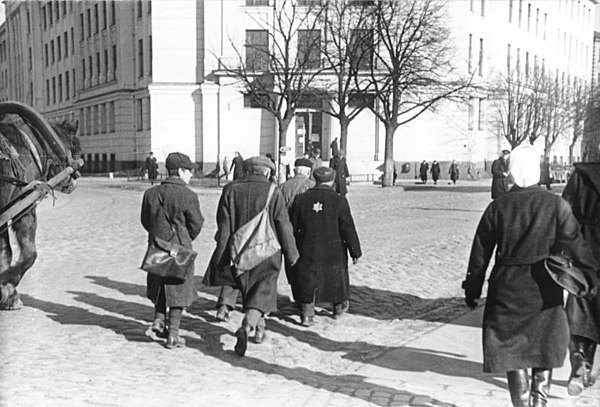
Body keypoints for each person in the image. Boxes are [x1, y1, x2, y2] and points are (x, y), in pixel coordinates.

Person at [462, 145, 598, 407]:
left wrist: (472, 290)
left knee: (511, 350)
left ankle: (522, 405)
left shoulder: (498, 207)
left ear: (511, 172)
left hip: (507, 288)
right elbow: (576, 244)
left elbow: (480, 255)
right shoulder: (556, 205)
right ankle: (540, 403)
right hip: (545, 287)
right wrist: (591, 277)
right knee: (543, 346)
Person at [203, 156, 299, 357]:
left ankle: (260, 330)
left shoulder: (230, 189)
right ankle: (247, 327)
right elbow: (283, 224)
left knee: (248, 290)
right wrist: (292, 253)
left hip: (238, 249)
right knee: (261, 292)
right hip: (266, 252)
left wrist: (222, 251)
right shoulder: (273, 191)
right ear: (266, 172)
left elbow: (224, 223)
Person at [141, 152, 204, 349]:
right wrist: (184, 238)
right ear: (181, 171)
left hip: (157, 247)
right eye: (189, 171)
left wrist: (158, 236)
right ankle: (173, 334)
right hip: (180, 249)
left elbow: (145, 220)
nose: (191, 175)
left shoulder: (150, 193)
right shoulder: (189, 195)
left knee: (159, 283)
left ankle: (159, 319)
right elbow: (197, 223)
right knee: (178, 289)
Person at [289, 166, 362, 326]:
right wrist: (355, 251)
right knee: (335, 277)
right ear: (332, 180)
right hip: (333, 249)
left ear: (315, 179)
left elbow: (292, 227)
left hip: (307, 247)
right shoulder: (339, 200)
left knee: (308, 279)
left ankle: (307, 314)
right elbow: (347, 228)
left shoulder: (300, 199)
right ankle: (338, 308)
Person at [561, 161, 600, 396]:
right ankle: (585, 365)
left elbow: (565, 211)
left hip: (583, 249)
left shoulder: (582, 176)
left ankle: (579, 361)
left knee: (580, 309)